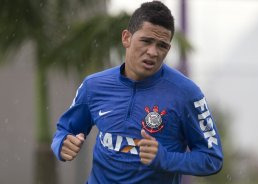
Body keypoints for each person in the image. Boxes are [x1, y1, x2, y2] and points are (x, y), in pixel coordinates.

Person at [51, 1, 223, 183]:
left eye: (162, 46)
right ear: (126, 38)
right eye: (146, 41)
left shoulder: (186, 93)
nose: (153, 52)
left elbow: (212, 158)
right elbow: (66, 129)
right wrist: (62, 143)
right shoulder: (94, 86)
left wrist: (165, 159)